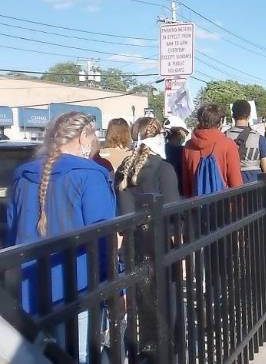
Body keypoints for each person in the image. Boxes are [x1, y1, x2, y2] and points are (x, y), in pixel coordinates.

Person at [5, 111, 116, 363]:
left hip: (27, 286)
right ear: (83, 138)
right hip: (76, 286)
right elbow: (102, 239)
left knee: (39, 356)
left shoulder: (22, 174)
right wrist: (114, 290)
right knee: (78, 353)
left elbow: (12, 234)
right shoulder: (91, 175)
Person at [115, 117, 180, 215]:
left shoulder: (123, 169)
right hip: (159, 228)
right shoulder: (164, 169)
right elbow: (173, 212)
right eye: (163, 134)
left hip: (129, 229)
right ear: (159, 138)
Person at [181, 104, 243, 197]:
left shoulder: (189, 146)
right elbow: (236, 182)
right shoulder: (228, 144)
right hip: (223, 204)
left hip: (197, 205)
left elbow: (186, 183)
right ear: (220, 121)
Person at [225, 100, 266, 182]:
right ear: (249, 115)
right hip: (254, 185)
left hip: (230, 186)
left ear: (233, 115)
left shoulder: (224, 137)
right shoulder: (260, 139)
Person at [163, 116, 189, 192]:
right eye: (185, 133)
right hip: (180, 194)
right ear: (179, 133)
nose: (185, 136)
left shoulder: (160, 150)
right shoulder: (183, 152)